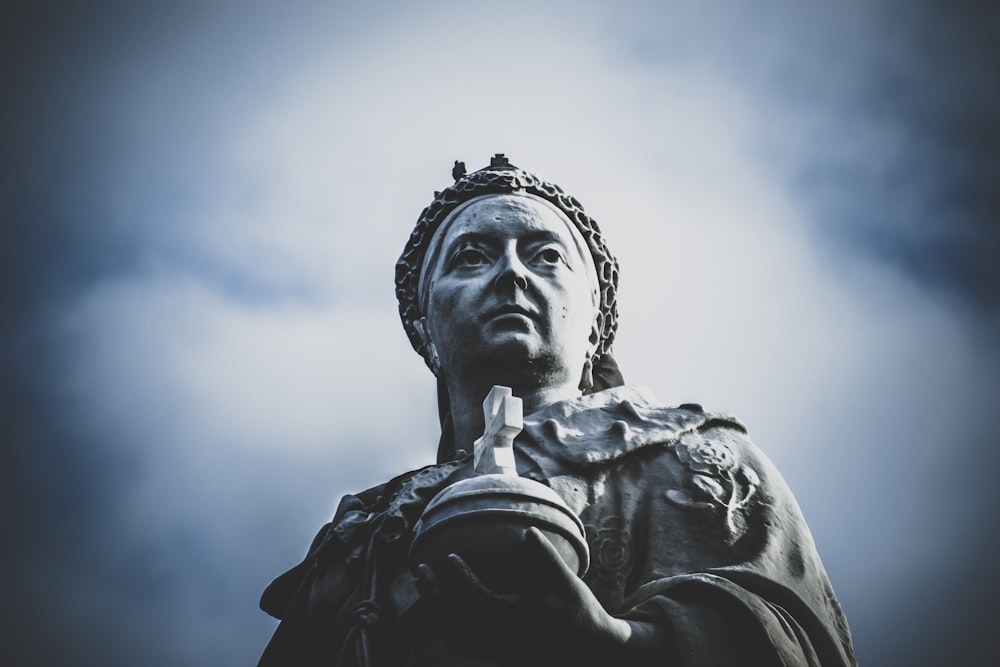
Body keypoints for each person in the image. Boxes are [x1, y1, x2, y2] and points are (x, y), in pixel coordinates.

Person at [257, 154, 857, 666]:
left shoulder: (697, 459)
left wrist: (613, 643)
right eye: (471, 256)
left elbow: (794, 641)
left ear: (595, 322)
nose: (512, 273)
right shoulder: (362, 537)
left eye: (546, 256)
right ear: (422, 322)